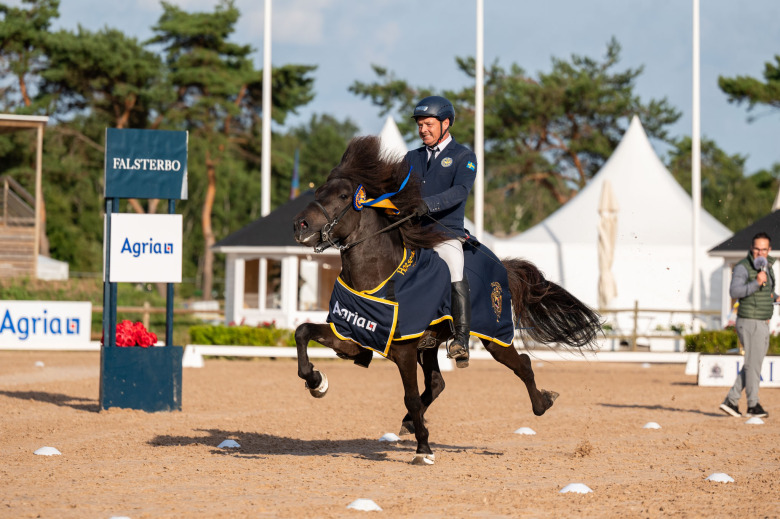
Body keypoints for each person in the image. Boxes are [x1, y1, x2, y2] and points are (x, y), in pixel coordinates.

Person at [405, 95, 477, 367]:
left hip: (444, 233)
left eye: (428, 124)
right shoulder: (411, 158)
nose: (423, 129)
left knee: (454, 265)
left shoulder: (463, 156)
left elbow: (460, 191)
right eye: (420, 125)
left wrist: (429, 203)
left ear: (446, 123)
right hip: (413, 233)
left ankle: (461, 339)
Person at [719, 232, 778, 418]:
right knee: (752, 364)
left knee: (753, 363)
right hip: (749, 319)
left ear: (769, 250)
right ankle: (753, 405)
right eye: (757, 249)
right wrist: (755, 283)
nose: (760, 252)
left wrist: (776, 298)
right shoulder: (743, 268)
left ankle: (731, 400)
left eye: (764, 249)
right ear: (751, 248)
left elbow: (767, 293)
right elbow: (734, 291)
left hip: (762, 320)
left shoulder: (767, 266)